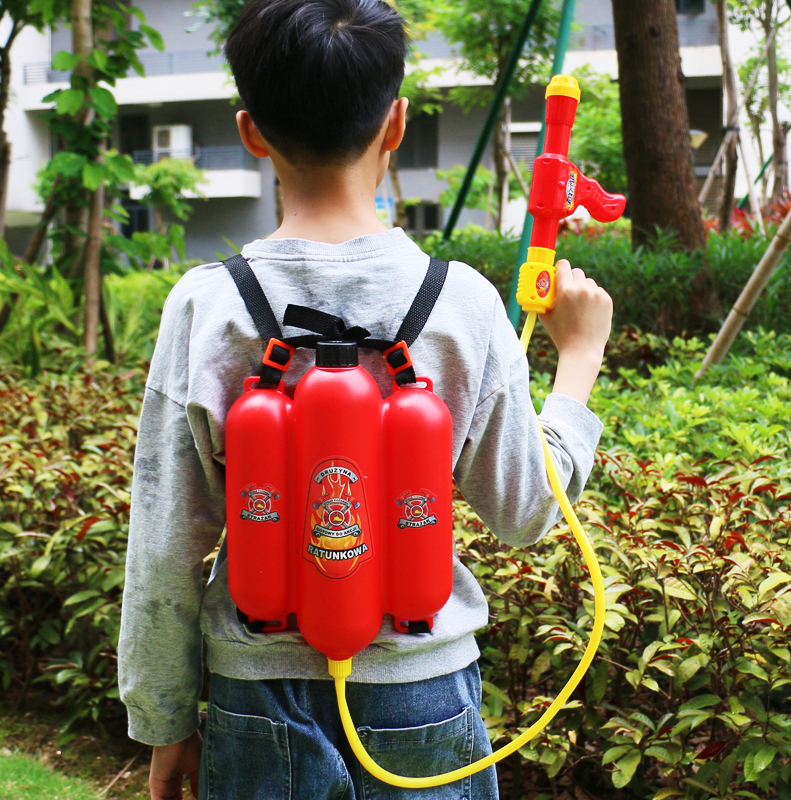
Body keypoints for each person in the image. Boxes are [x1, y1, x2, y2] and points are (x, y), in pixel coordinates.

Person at [117, 0, 613, 798]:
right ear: (397, 123)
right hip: (425, 692)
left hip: (256, 695)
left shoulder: (204, 306)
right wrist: (580, 359)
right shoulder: (464, 304)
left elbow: (166, 534)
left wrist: (164, 720)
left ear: (250, 132)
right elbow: (527, 510)